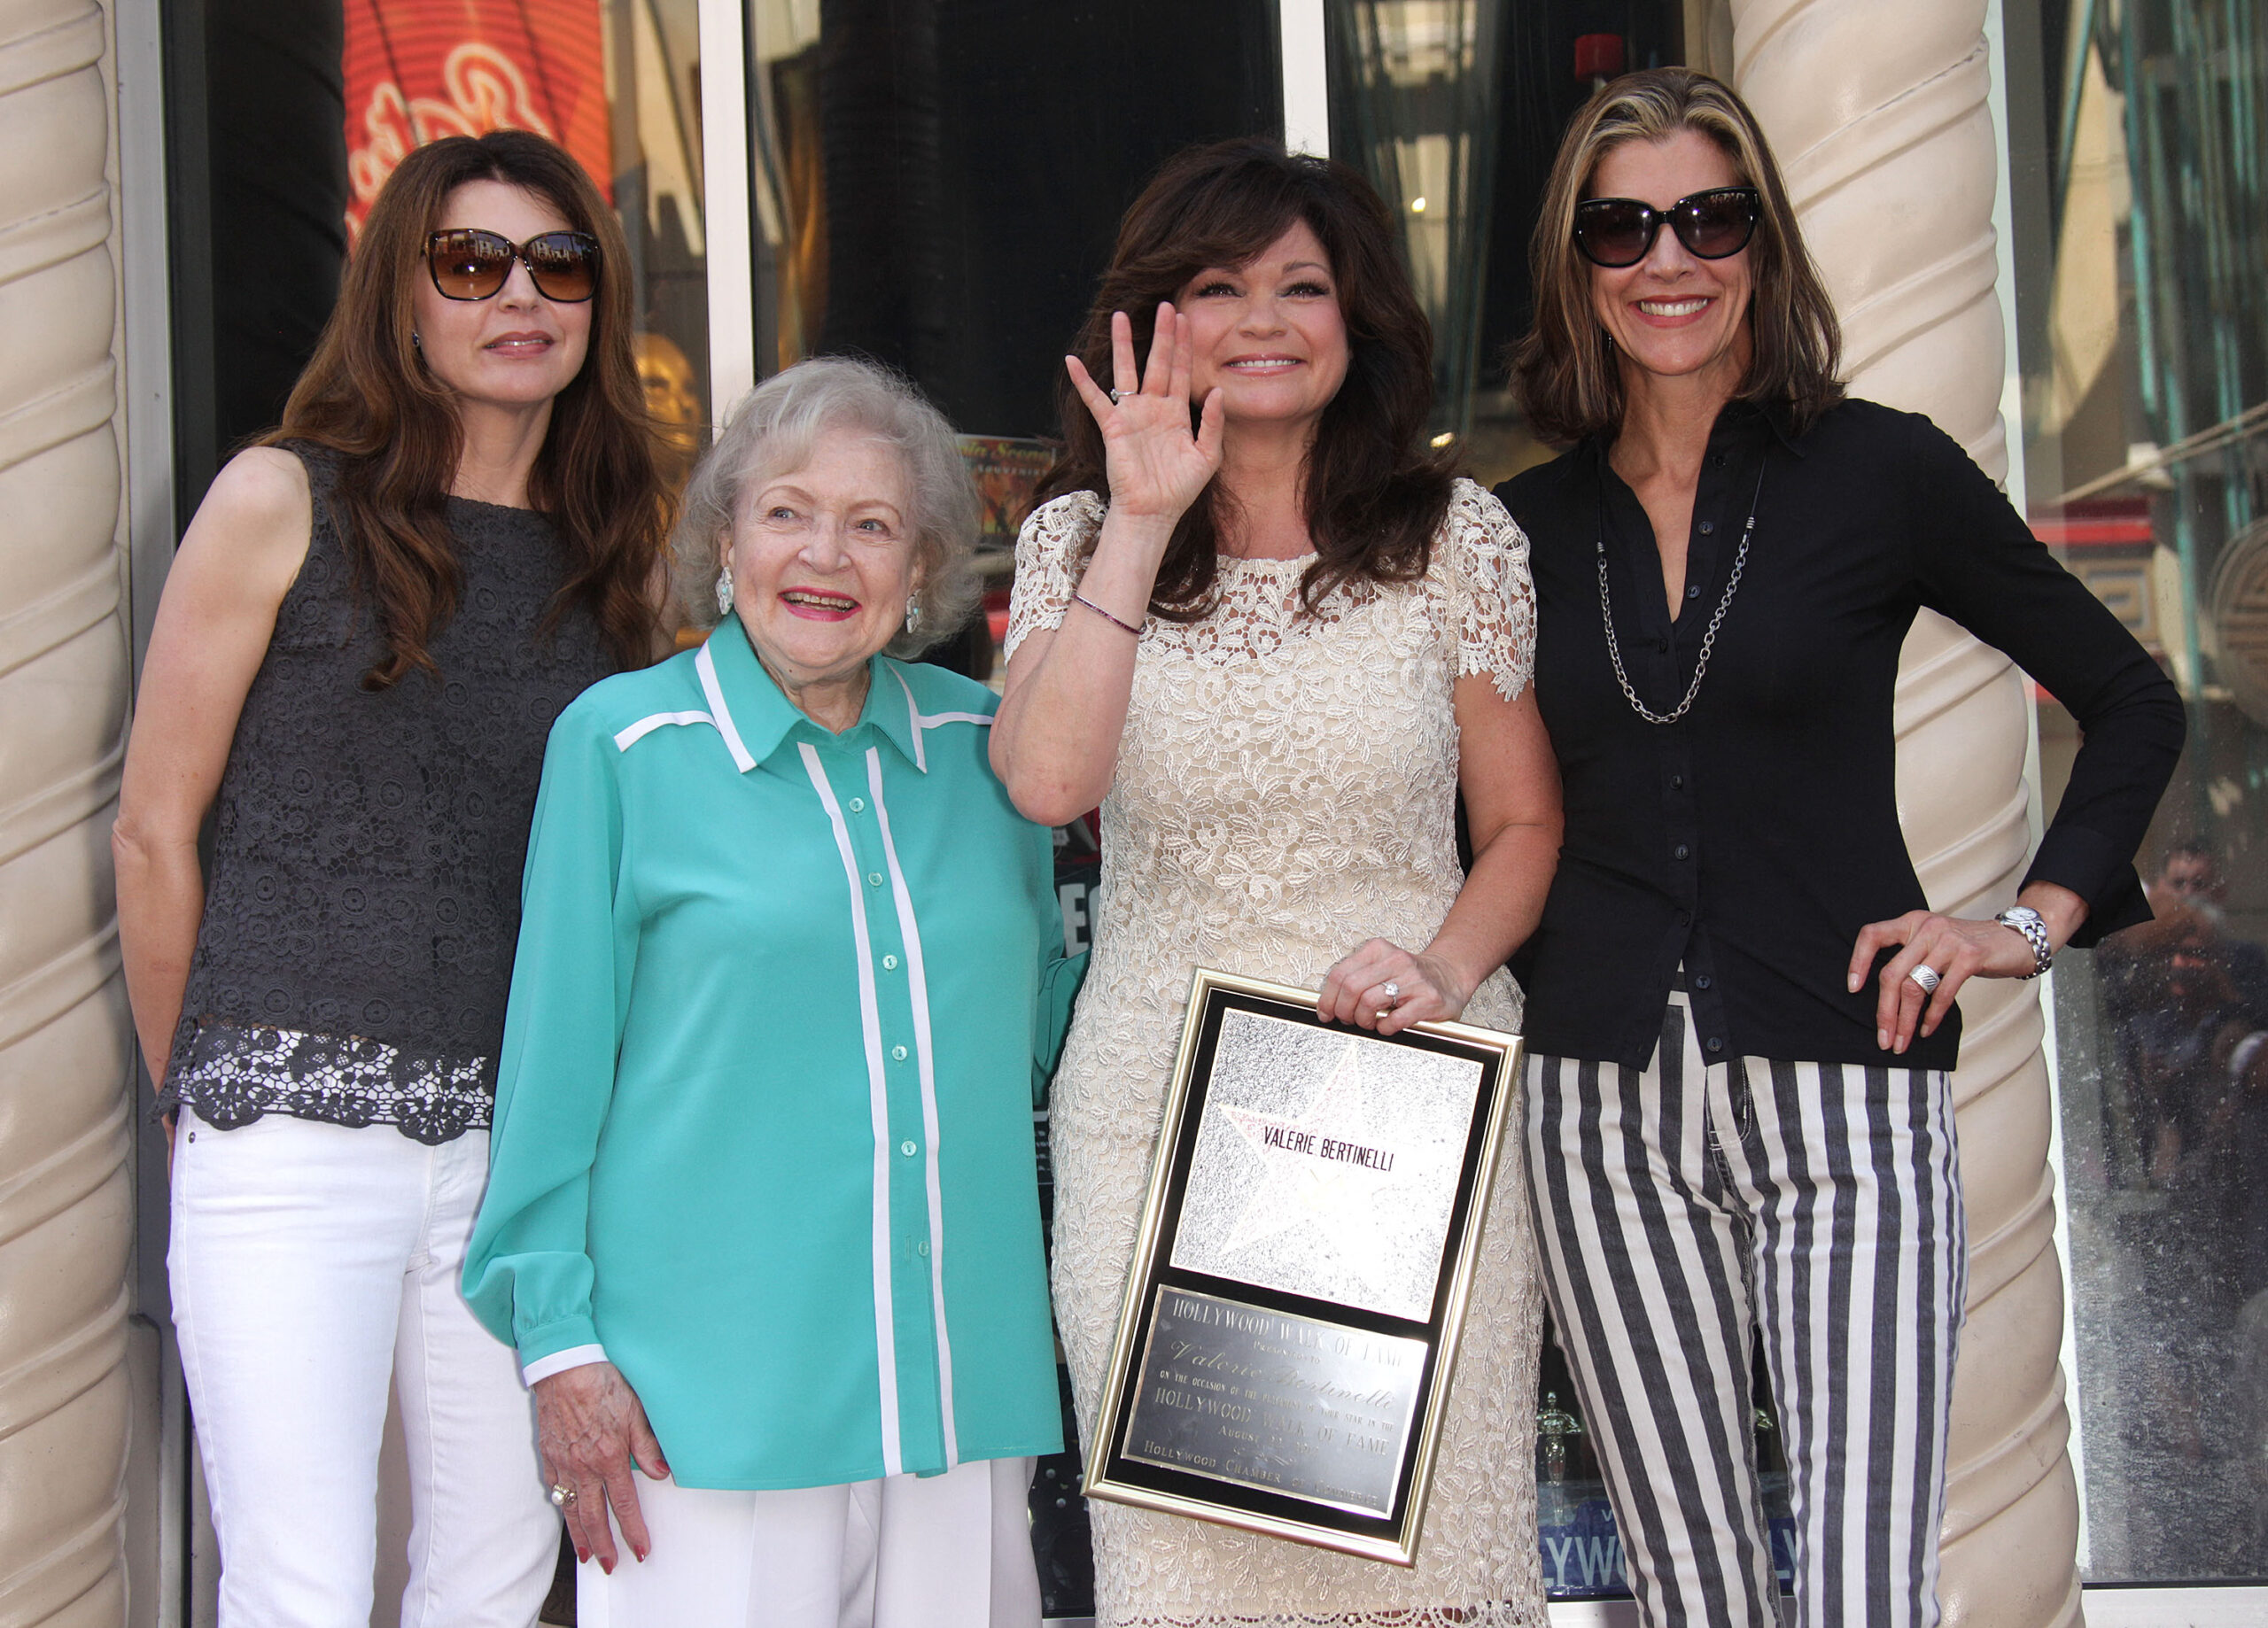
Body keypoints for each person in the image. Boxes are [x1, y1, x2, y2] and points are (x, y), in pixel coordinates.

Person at [1494, 67, 2186, 1628]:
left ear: (1762, 244)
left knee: (1865, 1584)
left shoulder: (1880, 470)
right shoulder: (1518, 529)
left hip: (1849, 1087)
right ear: (1577, 265)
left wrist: (2021, 921)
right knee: (1689, 1582)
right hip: (1598, 1103)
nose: (1668, 261)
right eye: (1623, 228)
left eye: (1708, 217)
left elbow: (2132, 699)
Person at [992, 138, 1564, 1624]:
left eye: (1302, 285)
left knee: (1418, 1565)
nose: (1264, 317)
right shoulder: (1073, 538)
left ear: (1356, 318)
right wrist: (1139, 511)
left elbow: (1522, 830)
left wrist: (1441, 969)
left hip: (1407, 1093)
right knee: (1191, 1565)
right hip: (1158, 1115)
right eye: (1220, 286)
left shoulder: (1454, 538)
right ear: (1154, 323)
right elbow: (1050, 785)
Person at [112, 129, 665, 1625]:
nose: (520, 296)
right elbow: (155, 830)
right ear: (401, 295)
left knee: (491, 1582)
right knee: (296, 1584)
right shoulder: (280, 501)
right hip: (283, 1129)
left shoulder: (624, 562)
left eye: (558, 264)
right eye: (471, 262)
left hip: (524, 1162)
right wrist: (197, 1094)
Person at [462, 357, 1081, 1627]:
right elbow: (552, 1073)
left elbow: (1045, 1038)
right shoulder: (623, 745)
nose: (827, 555)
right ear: (726, 537)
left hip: (956, 1392)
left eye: (874, 525)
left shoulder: (989, 750)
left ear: (921, 573)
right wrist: (561, 1348)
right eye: (789, 511)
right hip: (705, 1407)